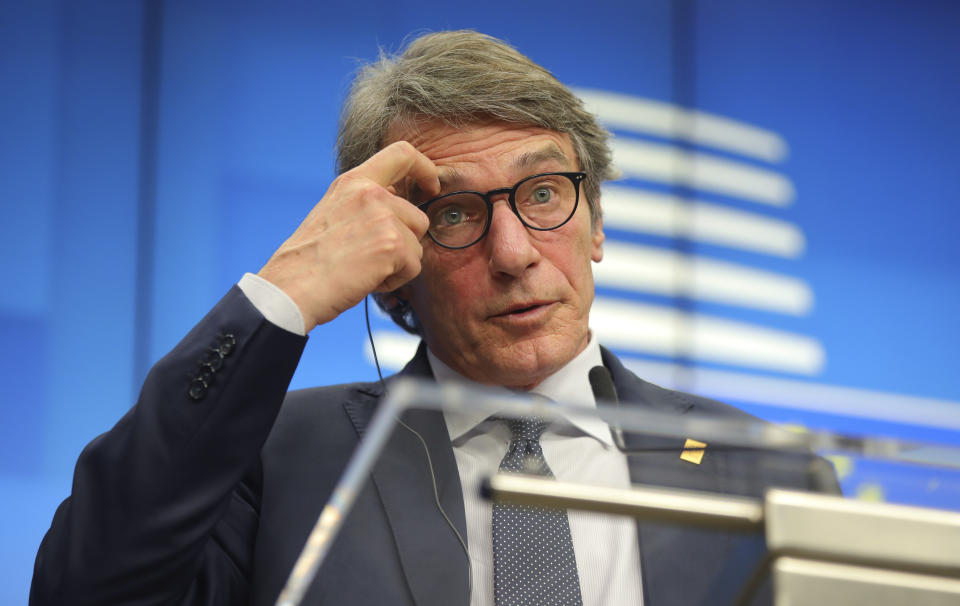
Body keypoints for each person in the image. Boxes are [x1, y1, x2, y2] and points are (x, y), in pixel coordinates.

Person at [31, 31, 835, 606]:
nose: (515, 252)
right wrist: (287, 291)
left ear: (597, 224)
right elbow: (87, 587)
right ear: (390, 273)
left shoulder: (767, 474)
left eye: (545, 194)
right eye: (454, 213)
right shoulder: (279, 462)